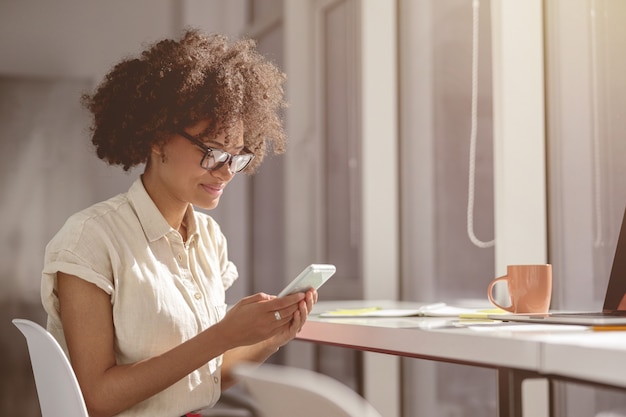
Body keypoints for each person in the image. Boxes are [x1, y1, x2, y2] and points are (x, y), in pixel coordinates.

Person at [41, 28, 317, 417]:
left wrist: (271, 338)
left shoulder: (209, 239)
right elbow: (95, 399)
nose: (226, 172)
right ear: (157, 139)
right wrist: (224, 334)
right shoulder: (90, 239)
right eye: (212, 152)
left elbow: (203, 377)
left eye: (236, 156)